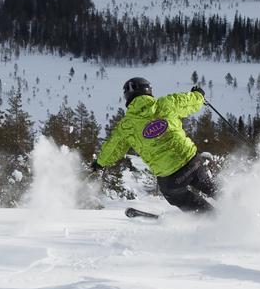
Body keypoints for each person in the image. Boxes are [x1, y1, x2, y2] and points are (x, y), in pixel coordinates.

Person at [91, 76, 217, 212]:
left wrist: (100, 163)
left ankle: (209, 216)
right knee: (213, 188)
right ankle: (238, 203)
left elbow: (113, 148)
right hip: (192, 163)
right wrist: (198, 95)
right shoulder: (165, 104)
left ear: (127, 97)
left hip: (170, 178)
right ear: (148, 90)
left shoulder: (126, 125)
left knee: (176, 196)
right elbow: (188, 101)